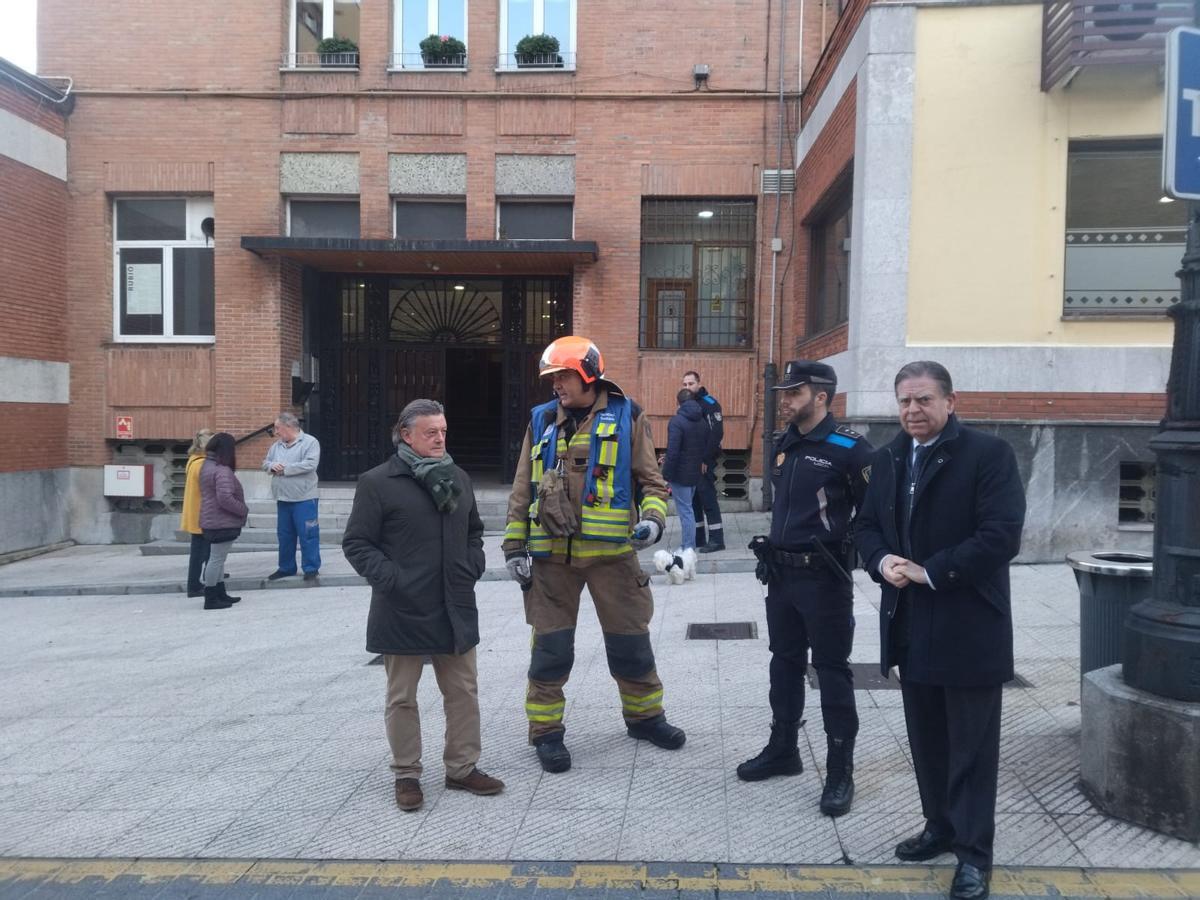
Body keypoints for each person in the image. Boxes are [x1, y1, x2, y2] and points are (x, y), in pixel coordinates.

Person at [854, 361, 1025, 900]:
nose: (912, 410)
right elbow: (865, 526)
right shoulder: (887, 458)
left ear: (950, 401)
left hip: (968, 621)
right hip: (908, 622)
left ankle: (975, 855)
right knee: (928, 741)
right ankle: (940, 827)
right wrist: (882, 562)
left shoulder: (987, 455)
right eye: (904, 400)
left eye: (923, 400)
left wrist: (929, 572)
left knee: (971, 749)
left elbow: (1001, 536)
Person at [503, 335, 685, 774]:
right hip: (551, 559)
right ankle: (546, 734)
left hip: (613, 557)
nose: (556, 386)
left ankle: (645, 719)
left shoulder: (629, 415)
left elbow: (652, 482)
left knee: (631, 644)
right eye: (551, 377)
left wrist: (655, 522)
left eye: (562, 376)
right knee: (550, 649)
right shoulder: (542, 419)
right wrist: (513, 545)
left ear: (588, 373)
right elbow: (522, 486)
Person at [343, 399, 504, 812]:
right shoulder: (378, 482)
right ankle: (406, 773)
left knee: (463, 692)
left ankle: (462, 768)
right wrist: (392, 579)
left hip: (454, 604)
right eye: (431, 432)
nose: (439, 438)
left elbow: (474, 531)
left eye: (444, 431)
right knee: (402, 697)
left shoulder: (458, 478)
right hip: (402, 607)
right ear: (406, 434)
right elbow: (357, 543)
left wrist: (472, 563)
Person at [737, 360, 873, 819]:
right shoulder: (785, 444)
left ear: (821, 397)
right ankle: (784, 749)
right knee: (784, 662)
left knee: (831, 670)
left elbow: (872, 515)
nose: (786, 399)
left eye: (795, 392)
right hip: (781, 576)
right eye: (786, 390)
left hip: (824, 579)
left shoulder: (850, 450)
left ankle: (840, 771)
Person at [262, 412, 322, 581]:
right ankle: (286, 567)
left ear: (288, 427)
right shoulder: (276, 446)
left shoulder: (310, 442)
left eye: (277, 428)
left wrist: (284, 469)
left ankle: (311, 568)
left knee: (308, 534)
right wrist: (272, 466)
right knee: (285, 535)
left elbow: (310, 464)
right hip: (283, 498)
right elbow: (265, 463)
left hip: (304, 498)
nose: (276, 432)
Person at [198, 432, 247, 611]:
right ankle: (211, 597)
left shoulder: (206, 465)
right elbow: (225, 498)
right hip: (222, 521)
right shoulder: (221, 470)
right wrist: (243, 510)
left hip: (211, 519)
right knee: (216, 560)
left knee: (217, 559)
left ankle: (220, 592)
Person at [682, 370, 725, 552]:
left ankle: (717, 540)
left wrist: (705, 459)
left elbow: (716, 433)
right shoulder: (687, 404)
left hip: (704, 460)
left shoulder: (710, 404)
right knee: (694, 500)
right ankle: (699, 537)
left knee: (707, 498)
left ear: (699, 383)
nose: (688, 387)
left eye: (691, 383)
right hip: (691, 461)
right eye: (684, 384)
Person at [662, 387, 708, 553]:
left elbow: (673, 451)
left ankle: (688, 547)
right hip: (694, 473)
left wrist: (666, 474)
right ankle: (690, 545)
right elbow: (703, 446)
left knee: (686, 512)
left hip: (680, 474)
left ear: (678, 403)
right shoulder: (702, 420)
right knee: (689, 509)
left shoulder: (677, 421)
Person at [181, 427, 215, 597]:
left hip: (196, 512)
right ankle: (194, 585)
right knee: (200, 553)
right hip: (202, 513)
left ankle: (206, 576)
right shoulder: (202, 464)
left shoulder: (193, 460)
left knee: (202, 550)